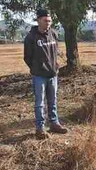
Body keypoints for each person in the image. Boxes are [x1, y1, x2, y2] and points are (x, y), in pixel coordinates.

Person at [23, 9, 68, 138]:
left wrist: (55, 66)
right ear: (38, 20)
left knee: (53, 101)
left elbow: (55, 52)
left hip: (53, 74)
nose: (48, 23)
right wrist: (37, 68)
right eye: (45, 20)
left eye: (49, 21)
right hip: (39, 76)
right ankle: (40, 128)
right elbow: (27, 57)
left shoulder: (53, 34)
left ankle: (54, 123)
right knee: (39, 103)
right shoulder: (31, 37)